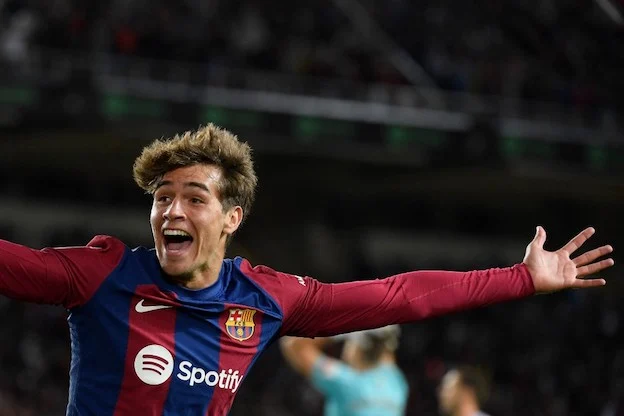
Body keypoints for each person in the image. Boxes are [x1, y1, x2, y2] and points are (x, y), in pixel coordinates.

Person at [0, 124, 615, 415]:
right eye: (162, 197)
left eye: (193, 197)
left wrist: (521, 278)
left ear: (232, 217)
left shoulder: (266, 298)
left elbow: (397, 295)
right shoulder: (103, 275)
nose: (171, 211)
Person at [280, 325, 408, 416]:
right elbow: (384, 350)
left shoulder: (344, 381)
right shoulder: (396, 382)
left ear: (358, 346)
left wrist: (339, 330)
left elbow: (294, 345)